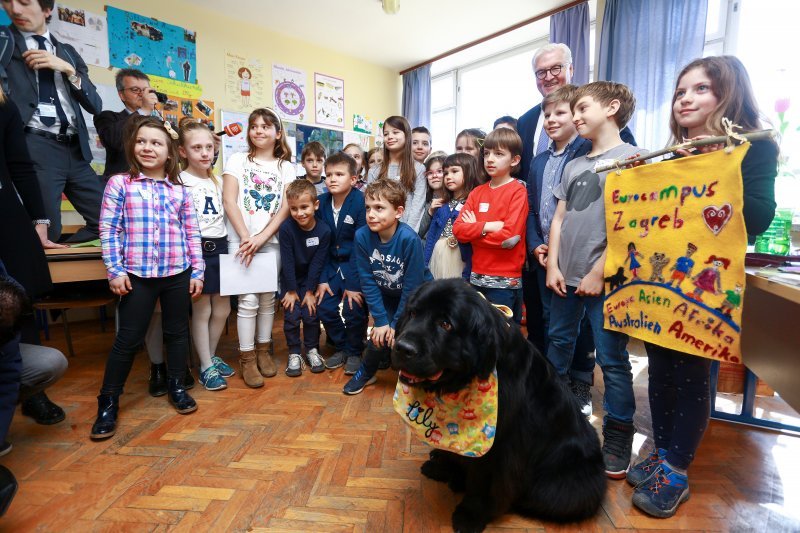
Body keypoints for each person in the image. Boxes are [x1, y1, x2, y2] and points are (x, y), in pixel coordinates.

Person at [630, 56, 778, 519]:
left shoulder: (755, 148)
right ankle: (661, 448)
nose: (686, 99)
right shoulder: (671, 155)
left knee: (692, 377)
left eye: (700, 90)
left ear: (728, 94)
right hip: (661, 284)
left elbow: (756, 217)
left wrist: (710, 171)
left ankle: (677, 466)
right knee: (660, 370)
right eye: (679, 92)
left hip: (706, 288)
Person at [544, 81, 642, 479]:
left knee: (612, 359)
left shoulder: (635, 158)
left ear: (612, 107)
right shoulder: (574, 164)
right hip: (563, 276)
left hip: (608, 279)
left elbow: (632, 227)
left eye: (582, 108)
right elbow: (559, 218)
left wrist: (599, 271)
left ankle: (618, 432)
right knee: (558, 343)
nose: (576, 116)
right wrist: (552, 265)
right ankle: (550, 412)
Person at [91, 117, 204, 440]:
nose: (148, 147)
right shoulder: (119, 184)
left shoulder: (180, 192)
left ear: (170, 153)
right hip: (136, 275)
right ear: (132, 146)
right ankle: (108, 401)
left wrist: (197, 272)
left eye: (156, 143)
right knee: (127, 339)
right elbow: (109, 231)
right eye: (142, 141)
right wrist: (115, 270)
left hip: (176, 272)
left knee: (177, 333)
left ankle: (177, 386)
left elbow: (191, 234)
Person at [2, 0, 104, 243]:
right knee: (46, 229)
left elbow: (95, 105)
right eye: (7, 2)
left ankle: (65, 254)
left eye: (25, 2)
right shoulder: (5, 44)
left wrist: (69, 70)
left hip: (76, 150)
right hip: (35, 144)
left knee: (109, 223)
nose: (15, 10)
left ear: (47, 10)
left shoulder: (67, 51)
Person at [527, 84, 597, 416]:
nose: (552, 120)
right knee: (550, 321)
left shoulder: (586, 152)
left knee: (578, 324)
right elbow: (530, 210)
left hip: (577, 257)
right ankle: (556, 381)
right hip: (544, 254)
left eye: (560, 113)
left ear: (577, 116)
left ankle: (581, 380)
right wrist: (535, 245)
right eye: (547, 114)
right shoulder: (539, 161)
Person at [222, 108, 294, 388]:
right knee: (247, 301)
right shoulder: (238, 160)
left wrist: (262, 237)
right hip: (240, 241)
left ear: (278, 133)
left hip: (271, 241)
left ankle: (264, 351)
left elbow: (286, 207)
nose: (259, 131)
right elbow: (230, 201)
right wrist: (245, 236)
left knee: (267, 301)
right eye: (254, 126)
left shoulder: (286, 166)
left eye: (266, 126)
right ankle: (247, 358)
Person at [343, 179, 431, 395]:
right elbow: (368, 281)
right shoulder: (362, 236)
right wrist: (382, 321)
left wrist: (395, 323)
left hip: (419, 298)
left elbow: (412, 287)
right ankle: (366, 372)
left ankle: (418, 377)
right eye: (368, 208)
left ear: (398, 212)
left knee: (408, 336)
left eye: (379, 208)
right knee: (378, 336)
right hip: (388, 295)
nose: (371, 214)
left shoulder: (409, 240)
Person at [177, 118, 234, 391]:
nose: (204, 153)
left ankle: (208, 357)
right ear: (182, 151)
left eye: (209, 147)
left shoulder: (219, 181)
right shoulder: (178, 181)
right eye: (196, 147)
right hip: (196, 250)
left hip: (221, 248)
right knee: (202, 310)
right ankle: (205, 366)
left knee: (223, 308)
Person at [452, 128, 528, 323]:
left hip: (505, 283)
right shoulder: (477, 192)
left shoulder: (517, 192)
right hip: (476, 279)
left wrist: (475, 230)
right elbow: (459, 231)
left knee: (503, 340)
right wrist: (489, 226)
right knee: (477, 335)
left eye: (498, 154)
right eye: (486, 153)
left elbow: (509, 238)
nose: (490, 159)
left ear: (515, 160)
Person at [315, 152, 367, 375]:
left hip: (355, 266)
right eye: (328, 175)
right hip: (330, 266)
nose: (332, 179)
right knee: (324, 307)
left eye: (339, 174)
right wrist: (322, 278)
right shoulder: (322, 203)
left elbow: (361, 245)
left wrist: (354, 284)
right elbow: (318, 245)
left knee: (354, 309)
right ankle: (344, 346)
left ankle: (355, 351)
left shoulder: (361, 202)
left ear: (353, 179)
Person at [279, 180, 331, 377]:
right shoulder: (286, 229)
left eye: (304, 207)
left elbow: (318, 263)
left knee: (311, 314)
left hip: (311, 279)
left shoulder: (324, 231)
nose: (299, 213)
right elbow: (287, 262)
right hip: (290, 280)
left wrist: (309, 291)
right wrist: (291, 291)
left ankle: (311, 349)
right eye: (293, 208)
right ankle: (294, 352)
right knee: (291, 316)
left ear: (315, 205)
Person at [93, 69, 160, 180]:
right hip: (121, 186)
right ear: (121, 95)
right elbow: (114, 140)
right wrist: (143, 111)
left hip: (154, 185)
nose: (142, 95)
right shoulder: (107, 117)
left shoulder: (158, 123)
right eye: (135, 90)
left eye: (146, 90)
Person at [367, 116, 427, 233]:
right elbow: (371, 205)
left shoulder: (418, 169)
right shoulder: (374, 171)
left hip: (406, 233)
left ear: (407, 136)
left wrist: (407, 235)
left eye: (395, 132)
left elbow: (417, 208)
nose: (390, 137)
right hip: (380, 233)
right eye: (386, 134)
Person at [425, 152, 479, 280]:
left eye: (454, 171)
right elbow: (431, 237)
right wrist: (425, 264)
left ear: (469, 172)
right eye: (446, 173)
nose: (448, 176)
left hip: (460, 258)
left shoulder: (473, 204)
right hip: (438, 256)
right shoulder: (442, 205)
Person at [416, 154, 445, 241]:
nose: (434, 176)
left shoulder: (455, 199)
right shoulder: (422, 199)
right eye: (430, 173)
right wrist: (430, 211)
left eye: (439, 171)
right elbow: (417, 233)